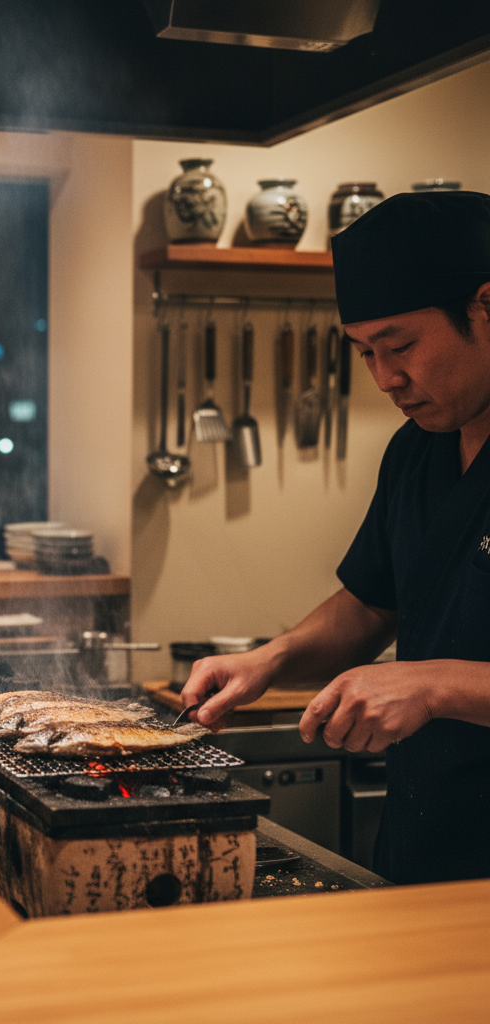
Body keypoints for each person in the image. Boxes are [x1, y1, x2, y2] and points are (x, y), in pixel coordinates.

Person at [182, 190, 490, 885]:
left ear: (485, 305)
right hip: (422, 854)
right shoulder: (419, 450)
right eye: (364, 354)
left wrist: (438, 684)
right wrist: (271, 660)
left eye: (401, 346)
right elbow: (370, 605)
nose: (386, 379)